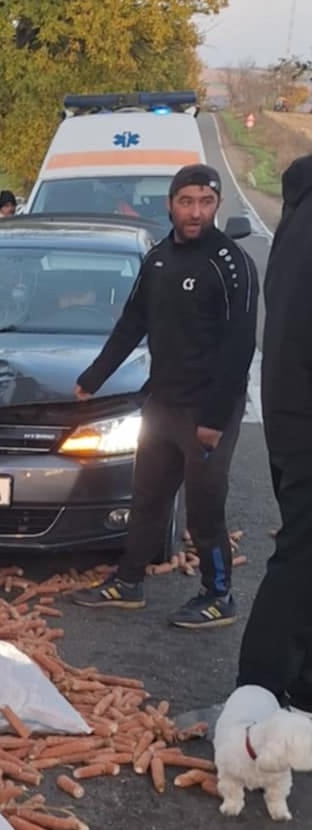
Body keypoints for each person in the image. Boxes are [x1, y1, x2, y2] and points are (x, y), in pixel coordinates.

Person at [69, 164, 259, 629]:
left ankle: (219, 595)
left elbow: (239, 346)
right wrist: (93, 378)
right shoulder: (158, 258)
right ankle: (128, 583)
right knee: (147, 498)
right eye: (186, 202)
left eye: (206, 202)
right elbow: (133, 321)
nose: (196, 212)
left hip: (207, 409)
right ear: (170, 204)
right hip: (162, 403)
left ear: (217, 205)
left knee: (204, 509)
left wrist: (214, 419)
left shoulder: (231, 263)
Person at [237, 154, 312, 711]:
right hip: (304, 416)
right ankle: (256, 693)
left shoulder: (298, 214)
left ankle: (298, 688)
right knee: (300, 555)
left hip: (289, 411)